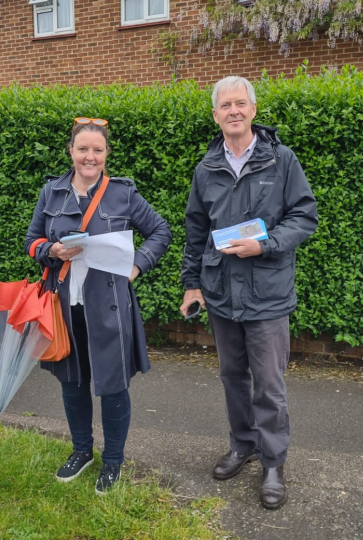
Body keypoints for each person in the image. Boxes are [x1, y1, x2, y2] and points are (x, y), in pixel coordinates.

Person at [180, 76, 318, 510]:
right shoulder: (206, 169)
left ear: (253, 110)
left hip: (267, 295)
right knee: (232, 377)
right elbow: (196, 231)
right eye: (225, 105)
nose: (233, 111)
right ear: (216, 114)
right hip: (222, 293)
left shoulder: (281, 160)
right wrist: (191, 284)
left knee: (270, 385)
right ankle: (243, 445)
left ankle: (273, 463)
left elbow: (304, 216)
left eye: (241, 103)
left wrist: (267, 243)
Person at [25, 118, 171, 494]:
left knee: (112, 385)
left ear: (106, 154)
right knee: (72, 382)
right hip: (63, 304)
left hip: (109, 305)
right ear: (71, 151)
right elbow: (31, 240)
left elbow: (160, 231)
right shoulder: (52, 192)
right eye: (83, 149)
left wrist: (136, 267)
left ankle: (113, 461)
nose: (90, 156)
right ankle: (81, 451)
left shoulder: (122, 194)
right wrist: (49, 250)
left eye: (98, 150)